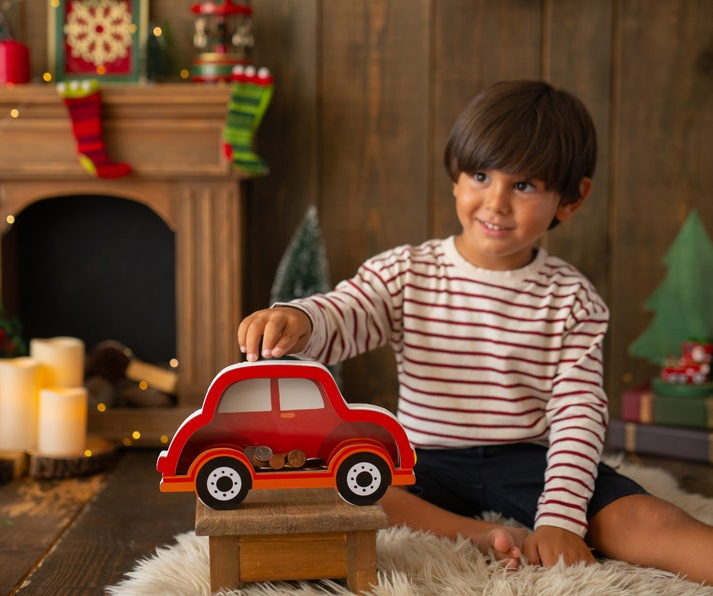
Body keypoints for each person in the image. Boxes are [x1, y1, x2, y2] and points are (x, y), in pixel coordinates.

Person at [237, 80, 713, 583]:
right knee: (341, 484)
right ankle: (479, 534)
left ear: (571, 200)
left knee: (646, 521)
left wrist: (560, 519)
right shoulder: (406, 272)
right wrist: (303, 319)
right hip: (425, 459)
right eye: (481, 175)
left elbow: (578, 414)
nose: (497, 202)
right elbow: (348, 311)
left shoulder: (571, 299)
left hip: (530, 460)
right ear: (456, 179)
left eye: (525, 185)